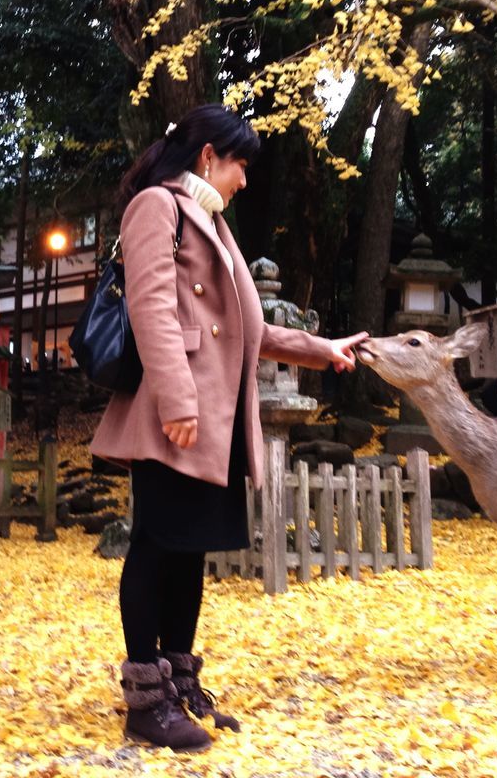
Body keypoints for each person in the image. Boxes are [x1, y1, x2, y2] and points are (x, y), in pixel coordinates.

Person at [89, 104, 368, 752]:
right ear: (209, 154)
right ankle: (145, 702)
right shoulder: (158, 207)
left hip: (212, 419)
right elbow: (152, 308)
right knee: (157, 546)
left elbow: (250, 327)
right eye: (241, 163)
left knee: (188, 549)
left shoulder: (211, 220)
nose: (246, 178)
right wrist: (176, 402)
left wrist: (321, 349)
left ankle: (178, 681)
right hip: (176, 416)